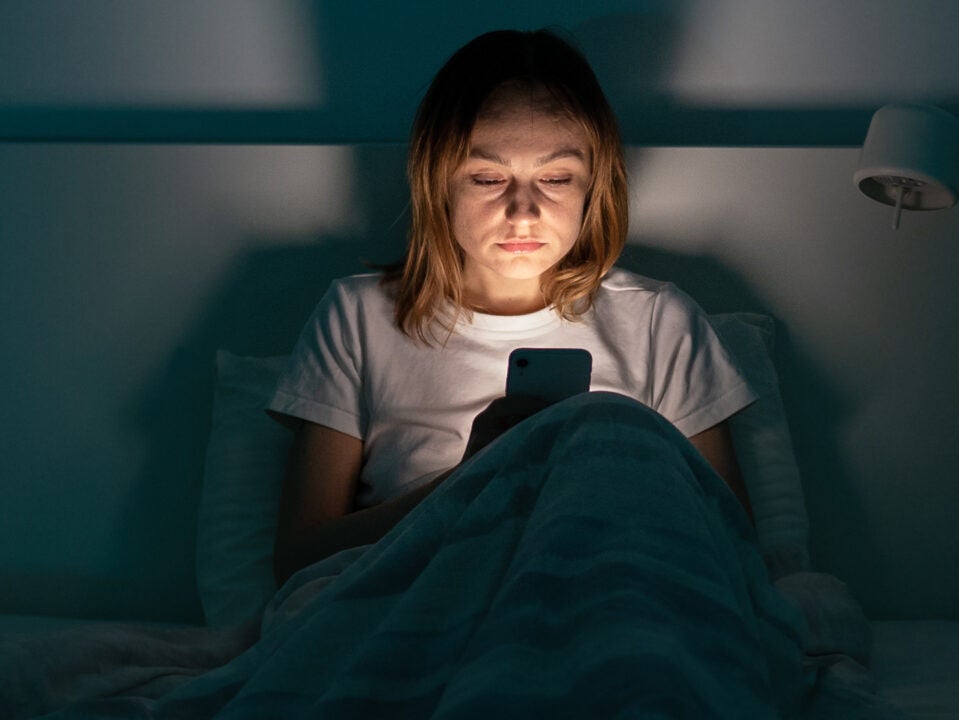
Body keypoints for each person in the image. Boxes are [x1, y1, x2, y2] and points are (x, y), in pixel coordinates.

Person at [267, 28, 757, 585]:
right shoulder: (357, 318)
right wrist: (471, 482)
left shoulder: (657, 322)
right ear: (438, 182)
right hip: (425, 600)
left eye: (554, 178)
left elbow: (731, 547)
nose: (522, 212)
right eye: (487, 177)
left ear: (593, 185)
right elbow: (300, 562)